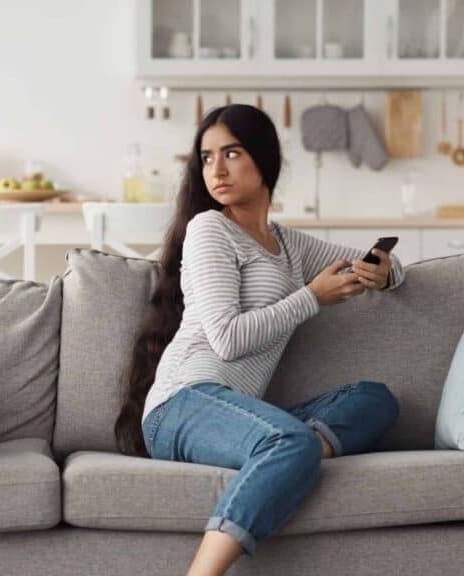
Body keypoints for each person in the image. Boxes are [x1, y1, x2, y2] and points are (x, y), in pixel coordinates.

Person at [114, 104, 403, 576]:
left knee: (375, 400)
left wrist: (384, 272)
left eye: (231, 152)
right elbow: (226, 340)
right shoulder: (209, 229)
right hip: (182, 405)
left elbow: (387, 267)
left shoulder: (290, 244)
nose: (217, 169)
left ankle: (281, 454)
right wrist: (311, 297)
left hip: (233, 409)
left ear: (265, 160)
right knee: (293, 443)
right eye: (206, 158)